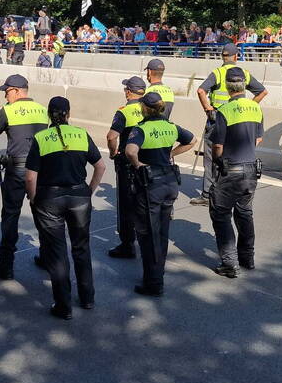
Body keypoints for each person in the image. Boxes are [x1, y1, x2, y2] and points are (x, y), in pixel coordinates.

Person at [25, 97, 106, 319]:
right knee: (81, 248)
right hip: (79, 197)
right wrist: (89, 190)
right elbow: (100, 166)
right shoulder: (81, 134)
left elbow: (30, 177)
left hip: (49, 199)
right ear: (68, 113)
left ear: (49, 115)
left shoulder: (41, 138)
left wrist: (33, 198)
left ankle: (63, 306)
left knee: (57, 252)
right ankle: (87, 298)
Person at [123, 92, 195, 295]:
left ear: (145, 108)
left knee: (148, 234)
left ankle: (153, 283)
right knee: (162, 232)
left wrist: (138, 165)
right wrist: (171, 154)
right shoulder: (171, 126)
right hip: (169, 183)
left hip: (150, 186)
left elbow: (130, 151)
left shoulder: (141, 128)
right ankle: (158, 273)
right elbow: (192, 140)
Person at [0, 75, 49, 279]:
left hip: (16, 170)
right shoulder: (42, 110)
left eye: (6, 92)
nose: (5, 96)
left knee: (10, 215)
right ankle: (47, 257)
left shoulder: (7, 110)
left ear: (16, 91)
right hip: (39, 170)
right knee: (42, 214)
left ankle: (6, 267)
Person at [193, 44, 267, 206]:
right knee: (234, 157)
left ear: (222, 56)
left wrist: (208, 108)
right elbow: (263, 91)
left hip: (218, 118)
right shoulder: (244, 73)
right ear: (236, 57)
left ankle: (207, 195)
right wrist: (250, 105)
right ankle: (228, 192)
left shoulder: (218, 73)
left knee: (211, 158)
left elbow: (200, 91)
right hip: (239, 119)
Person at [208, 67, 263, 277]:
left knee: (221, 214)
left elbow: (217, 146)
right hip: (251, 169)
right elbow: (258, 138)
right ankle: (247, 258)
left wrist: (217, 160)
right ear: (244, 86)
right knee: (245, 213)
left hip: (230, 170)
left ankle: (230, 264)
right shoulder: (255, 108)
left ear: (228, 86)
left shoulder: (225, 110)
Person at [106, 77, 147, 259]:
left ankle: (127, 244)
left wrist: (112, 152)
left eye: (125, 89)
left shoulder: (124, 112)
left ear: (129, 92)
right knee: (143, 202)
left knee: (126, 204)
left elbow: (111, 136)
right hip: (146, 162)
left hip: (127, 164)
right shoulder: (150, 108)